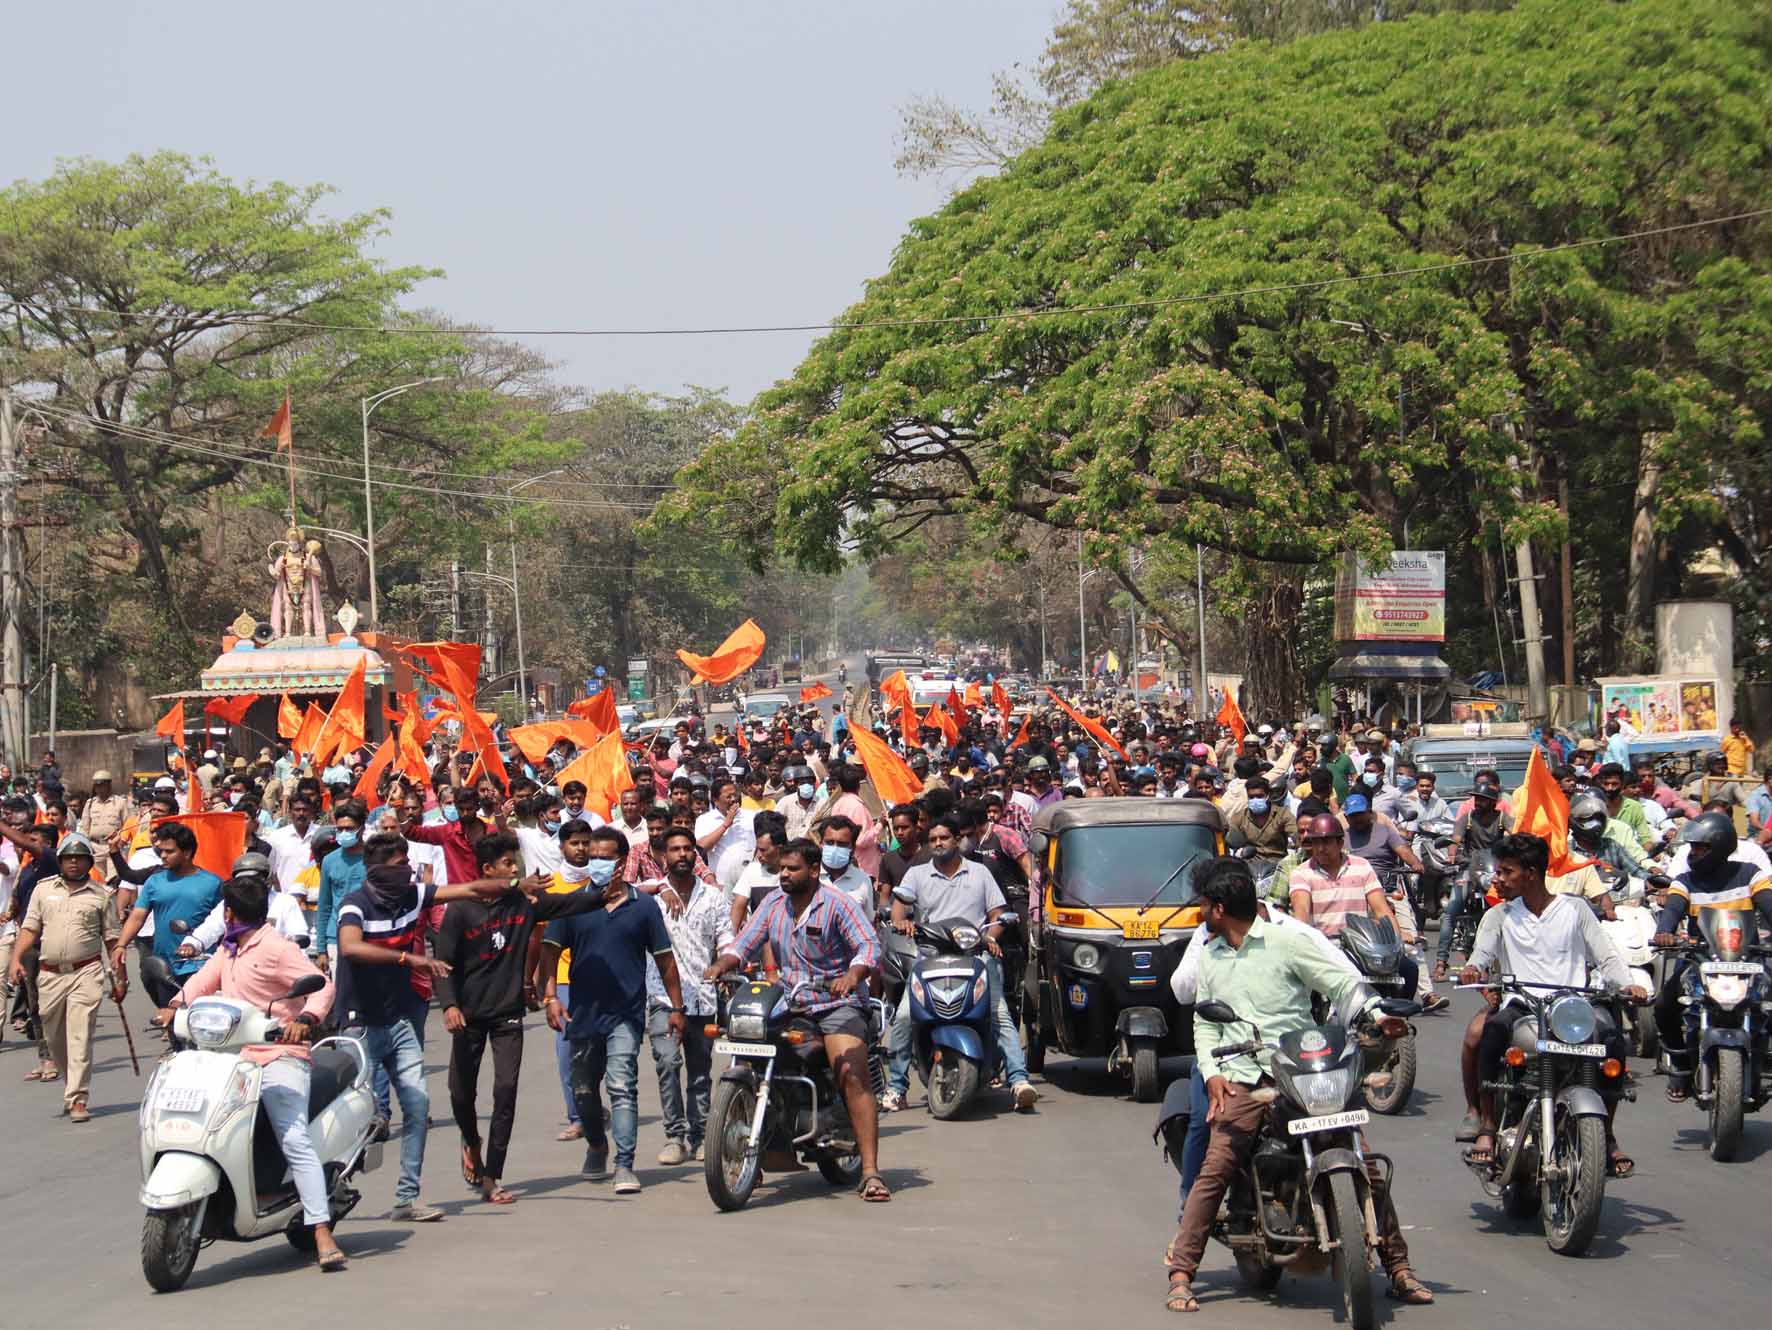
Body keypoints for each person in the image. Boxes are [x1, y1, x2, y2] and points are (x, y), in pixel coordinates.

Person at [1162, 856, 1429, 1312]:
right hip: (1244, 1076)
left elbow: (1342, 986)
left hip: (1304, 1070)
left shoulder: (1287, 941)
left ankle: (1399, 1268)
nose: (1201, 911)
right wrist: (1213, 1076)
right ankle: (1182, 1271)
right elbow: (1205, 1025)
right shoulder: (1210, 954)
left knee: (1364, 1162)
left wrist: (1378, 1016)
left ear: (1220, 908)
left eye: (1205, 904)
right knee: (1218, 1164)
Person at [333, 831, 528, 1222]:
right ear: (375, 870)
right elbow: (351, 947)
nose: (407, 870)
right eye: (398, 865)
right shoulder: (355, 906)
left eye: (407, 862)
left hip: (400, 1020)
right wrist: (410, 960)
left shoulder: (414, 895)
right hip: (360, 1025)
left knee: (418, 1105)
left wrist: (515, 883)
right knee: (353, 1115)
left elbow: (470, 888)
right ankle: (327, 1190)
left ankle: (408, 1198)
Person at [153, 875, 345, 1269]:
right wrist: (174, 1004)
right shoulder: (229, 948)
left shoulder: (276, 948)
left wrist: (306, 1017)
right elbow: (201, 983)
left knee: (294, 1138)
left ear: (229, 913)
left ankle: (321, 1228)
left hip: (278, 1054)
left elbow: (322, 986)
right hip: (230, 1056)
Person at [705, 837, 889, 1201]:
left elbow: (869, 946)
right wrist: (723, 964)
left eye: (792, 869)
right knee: (752, 1052)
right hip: (791, 1001)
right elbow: (744, 943)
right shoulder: (773, 903)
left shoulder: (837, 904)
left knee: (849, 1070)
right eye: (781, 870)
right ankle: (761, 1150)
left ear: (814, 870)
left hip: (838, 1003)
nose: (784, 876)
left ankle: (870, 1171)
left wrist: (853, 975)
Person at [1460, 833, 1643, 1178]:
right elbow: (1481, 953)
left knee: (1614, 1042)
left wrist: (1629, 984)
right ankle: (1486, 1126)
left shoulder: (1575, 909)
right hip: (1523, 1004)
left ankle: (1605, 1133)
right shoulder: (1500, 915)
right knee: (1493, 1032)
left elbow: (1605, 956)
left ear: (1530, 873)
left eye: (1506, 872)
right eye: (1498, 872)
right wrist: (1474, 969)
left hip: (1574, 1006)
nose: (1497, 879)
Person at [433, 831, 601, 1205]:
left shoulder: (524, 904)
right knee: (460, 1094)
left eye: (516, 862)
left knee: (505, 1092)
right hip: (467, 1016)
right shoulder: (460, 910)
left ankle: (493, 1175)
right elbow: (442, 965)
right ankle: (471, 1140)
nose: (516, 869)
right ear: (487, 869)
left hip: (507, 1015)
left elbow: (567, 904)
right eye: (508, 864)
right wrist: (449, 1006)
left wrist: (606, 893)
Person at [540, 825, 686, 1196]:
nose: (600, 863)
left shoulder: (644, 906)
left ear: (622, 863)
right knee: (584, 1089)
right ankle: (597, 1145)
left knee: (623, 1085)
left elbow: (666, 961)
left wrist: (676, 1007)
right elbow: (549, 950)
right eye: (594, 857)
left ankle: (624, 1163)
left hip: (626, 1013)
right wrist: (550, 996)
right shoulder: (573, 903)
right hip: (583, 1013)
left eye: (607, 857)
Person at [881, 815, 1037, 1113]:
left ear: (956, 840)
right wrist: (901, 923)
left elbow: (998, 913)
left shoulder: (979, 873)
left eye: (944, 838)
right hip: (928, 958)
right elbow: (898, 908)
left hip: (975, 956)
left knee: (999, 1014)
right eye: (933, 840)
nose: (938, 843)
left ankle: (1018, 1081)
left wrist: (991, 936)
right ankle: (897, 1088)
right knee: (903, 1017)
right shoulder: (916, 875)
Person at [1651, 813, 1772, 1103]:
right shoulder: (1684, 881)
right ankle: (1680, 1067)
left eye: (1699, 848)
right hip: (1698, 959)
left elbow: (1768, 905)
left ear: (1719, 847)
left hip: (1748, 959)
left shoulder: (1751, 873)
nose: (1692, 854)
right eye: (1691, 847)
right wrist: (1664, 932)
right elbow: (1672, 910)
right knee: (1664, 1005)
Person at [4, 834, 122, 1122]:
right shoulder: (44, 891)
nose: (73, 862)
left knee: (80, 1036)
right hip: (50, 974)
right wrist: (16, 959)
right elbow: (30, 929)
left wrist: (120, 979)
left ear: (88, 862)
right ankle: (71, 1081)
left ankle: (78, 1097)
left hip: (86, 972)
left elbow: (112, 941)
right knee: (54, 1039)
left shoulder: (101, 895)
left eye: (79, 857)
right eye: (68, 857)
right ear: (59, 862)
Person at [639, 826, 732, 1165]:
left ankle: (701, 1133)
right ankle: (674, 1136)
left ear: (696, 854)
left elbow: (726, 938)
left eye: (687, 849)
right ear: (664, 856)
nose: (681, 854)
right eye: (674, 849)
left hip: (703, 997)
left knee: (700, 1070)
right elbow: (619, 889)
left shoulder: (713, 897)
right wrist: (660, 887)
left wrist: (723, 962)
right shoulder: (650, 899)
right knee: (667, 1062)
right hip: (662, 998)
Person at [1289, 813, 1419, 997]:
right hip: (1325, 947)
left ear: (1340, 843)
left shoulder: (1362, 866)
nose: (1320, 848)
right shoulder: (1301, 874)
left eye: (1326, 842)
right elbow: (1301, 909)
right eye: (1316, 842)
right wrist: (1300, 938)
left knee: (1409, 970)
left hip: (1362, 945)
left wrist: (1397, 942)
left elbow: (1381, 909)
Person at [111, 821, 223, 1006]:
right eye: (161, 851)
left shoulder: (213, 883)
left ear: (187, 853)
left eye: (169, 851)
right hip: (164, 965)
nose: (163, 856)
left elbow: (224, 923)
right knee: (170, 1020)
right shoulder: (154, 882)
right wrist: (121, 945)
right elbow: (137, 916)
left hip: (199, 965)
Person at [315, 800, 369, 968]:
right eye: (340, 829)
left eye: (350, 828)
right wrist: (321, 949)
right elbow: (324, 905)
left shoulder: (375, 859)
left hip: (369, 937)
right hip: (335, 938)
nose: (344, 833)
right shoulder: (329, 861)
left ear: (362, 829)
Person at [694, 776, 756, 894]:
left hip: (748, 882)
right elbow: (701, 847)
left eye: (735, 795)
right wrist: (726, 824)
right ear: (716, 800)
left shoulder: (751, 816)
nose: (733, 799)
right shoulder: (704, 819)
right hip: (721, 884)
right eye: (728, 797)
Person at [730, 811, 785, 931]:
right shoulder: (752, 871)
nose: (759, 855)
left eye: (764, 850)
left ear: (779, 848)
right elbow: (738, 907)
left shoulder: (796, 872)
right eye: (758, 850)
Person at [74, 770, 129, 882]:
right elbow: (84, 827)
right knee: (97, 880)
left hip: (113, 846)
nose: (99, 789)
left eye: (102, 785)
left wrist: (120, 840)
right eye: (97, 786)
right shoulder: (90, 804)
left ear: (109, 785)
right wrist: (86, 846)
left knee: (113, 879)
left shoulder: (120, 803)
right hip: (95, 848)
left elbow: (127, 825)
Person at [819, 814, 875, 913]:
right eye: (830, 843)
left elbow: (868, 922)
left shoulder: (863, 881)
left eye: (842, 844)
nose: (835, 848)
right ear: (821, 844)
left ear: (852, 848)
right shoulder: (807, 876)